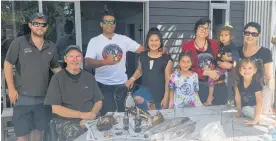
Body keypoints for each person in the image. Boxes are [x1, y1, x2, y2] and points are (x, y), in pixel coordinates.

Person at [4, 12, 62, 141]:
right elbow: (7, 64)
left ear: (47, 27)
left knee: (38, 133)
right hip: (22, 97)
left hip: (43, 98)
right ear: (30, 25)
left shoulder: (51, 46)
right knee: (22, 136)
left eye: (43, 24)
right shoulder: (19, 42)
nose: (40, 27)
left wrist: (68, 77)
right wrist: (11, 89)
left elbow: (55, 67)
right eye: (36, 23)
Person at [84, 6, 144, 115]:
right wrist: (105, 62)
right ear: (101, 24)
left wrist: (158, 48)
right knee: (106, 116)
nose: (110, 24)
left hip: (122, 85)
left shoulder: (123, 39)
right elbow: (87, 63)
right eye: (106, 22)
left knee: (124, 114)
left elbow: (142, 50)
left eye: (112, 22)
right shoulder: (95, 41)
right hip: (102, 86)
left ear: (115, 24)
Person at [44, 45, 103, 141]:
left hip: (90, 118)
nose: (75, 59)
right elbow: (56, 108)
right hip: (67, 121)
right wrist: (82, 115)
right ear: (65, 59)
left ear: (81, 59)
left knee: (107, 130)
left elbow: (98, 101)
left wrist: (91, 114)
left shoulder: (89, 77)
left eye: (78, 56)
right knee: (77, 132)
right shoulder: (57, 78)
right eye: (71, 56)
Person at [182, 18, 228, 105]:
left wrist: (218, 73)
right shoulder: (187, 46)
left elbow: (224, 61)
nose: (204, 30)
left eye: (207, 28)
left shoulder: (215, 44)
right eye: (201, 27)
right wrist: (205, 72)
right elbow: (185, 68)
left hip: (218, 87)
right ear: (196, 29)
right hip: (199, 88)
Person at [125, 27, 173, 110]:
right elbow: (140, 70)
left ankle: (151, 107)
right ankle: (148, 106)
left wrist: (166, 97)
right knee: (137, 100)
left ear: (160, 41)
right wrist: (132, 79)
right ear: (147, 41)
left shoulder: (166, 59)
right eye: (151, 40)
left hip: (159, 93)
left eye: (156, 40)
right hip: (145, 90)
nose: (154, 43)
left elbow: (168, 80)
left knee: (157, 119)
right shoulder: (142, 55)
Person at [235, 22, 274, 115]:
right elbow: (236, 76)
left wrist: (269, 104)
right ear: (243, 34)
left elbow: (269, 77)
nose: (250, 36)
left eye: (254, 34)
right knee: (247, 112)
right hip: (244, 94)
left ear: (258, 36)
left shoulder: (265, 52)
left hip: (260, 93)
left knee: (261, 115)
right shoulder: (237, 51)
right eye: (247, 33)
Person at [204, 25, 240, 105]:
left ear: (231, 36)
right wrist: (213, 63)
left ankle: (210, 97)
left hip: (225, 65)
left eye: (226, 35)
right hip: (218, 65)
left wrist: (228, 59)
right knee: (208, 72)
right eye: (221, 35)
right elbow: (217, 56)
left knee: (211, 77)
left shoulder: (232, 46)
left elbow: (236, 57)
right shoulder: (221, 45)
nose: (223, 37)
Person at [234, 58, 275, 125]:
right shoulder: (238, 83)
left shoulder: (255, 83)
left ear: (255, 70)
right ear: (240, 70)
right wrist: (239, 111)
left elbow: (260, 101)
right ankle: (262, 115)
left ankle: (270, 121)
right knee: (245, 109)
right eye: (244, 68)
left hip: (260, 105)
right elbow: (237, 97)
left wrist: (255, 120)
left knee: (247, 109)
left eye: (250, 68)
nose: (247, 70)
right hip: (250, 107)